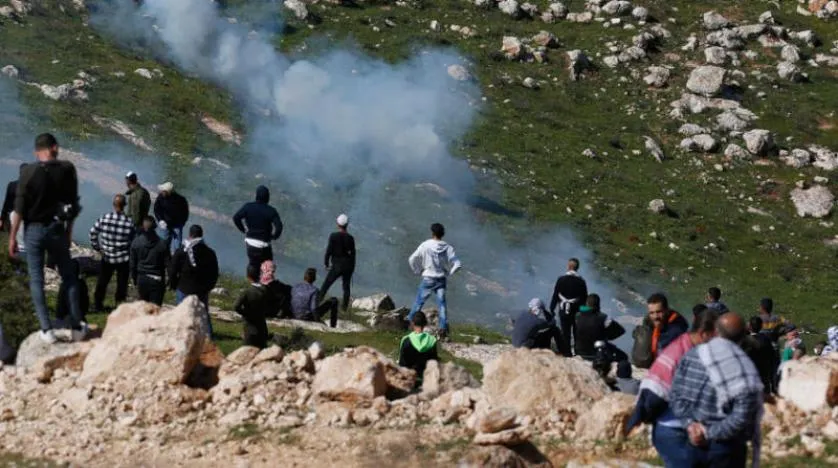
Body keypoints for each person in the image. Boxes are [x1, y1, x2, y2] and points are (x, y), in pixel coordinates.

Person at [9, 133, 86, 343]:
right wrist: (69, 231)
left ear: (37, 151)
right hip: (57, 228)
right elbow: (73, 204)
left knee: (36, 279)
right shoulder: (67, 169)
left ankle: (46, 329)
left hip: (33, 230)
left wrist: (13, 236)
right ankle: (77, 326)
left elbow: (19, 208)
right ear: (54, 148)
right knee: (68, 276)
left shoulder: (28, 172)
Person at [626, 308, 721, 464]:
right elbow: (653, 392)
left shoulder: (688, 345)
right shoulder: (679, 353)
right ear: (704, 334)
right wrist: (641, 417)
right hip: (673, 430)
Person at [670, 313, 763, 468]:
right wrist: (708, 433)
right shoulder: (744, 367)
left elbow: (675, 394)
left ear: (716, 330)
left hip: (691, 441)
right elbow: (742, 416)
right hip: (726, 448)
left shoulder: (693, 355)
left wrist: (690, 425)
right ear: (743, 336)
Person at [407, 223, 462, 339]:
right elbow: (457, 264)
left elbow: (412, 259)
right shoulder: (447, 247)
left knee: (419, 302)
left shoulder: (425, 245)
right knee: (442, 304)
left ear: (432, 233)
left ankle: (410, 323)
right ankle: (442, 329)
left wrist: (417, 271)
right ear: (443, 234)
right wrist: (449, 273)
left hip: (428, 277)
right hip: (441, 278)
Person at [169, 224, 219, 334]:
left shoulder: (182, 251)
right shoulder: (210, 252)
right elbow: (214, 273)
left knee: (181, 313)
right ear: (201, 235)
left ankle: (181, 334)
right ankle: (207, 336)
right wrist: (208, 287)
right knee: (203, 314)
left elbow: (173, 269)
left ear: (190, 235)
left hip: (184, 287)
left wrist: (173, 284)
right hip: (202, 289)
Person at [90, 194, 135, 312]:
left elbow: (93, 232)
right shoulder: (129, 222)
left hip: (107, 257)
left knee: (102, 281)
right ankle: (119, 306)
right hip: (123, 258)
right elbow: (133, 240)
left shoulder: (104, 218)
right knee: (122, 283)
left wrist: (97, 248)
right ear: (125, 205)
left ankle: (98, 304)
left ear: (114, 204)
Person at [631, 293, 689, 369]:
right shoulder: (648, 323)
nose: (655, 316)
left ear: (666, 311)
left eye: (659, 312)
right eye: (652, 313)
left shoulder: (677, 329)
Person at [232, 185, 283, 269]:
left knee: (253, 264)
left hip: (250, 242)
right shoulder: (271, 210)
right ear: (267, 198)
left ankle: (252, 276)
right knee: (267, 267)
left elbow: (236, 218)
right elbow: (279, 227)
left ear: (256, 196)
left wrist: (243, 230)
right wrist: (274, 236)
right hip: (264, 244)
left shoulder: (248, 206)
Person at [549, 258, 588, 357]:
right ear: (577, 268)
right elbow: (584, 299)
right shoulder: (581, 282)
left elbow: (555, 295)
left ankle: (566, 352)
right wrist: (585, 312)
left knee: (565, 332)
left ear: (569, 266)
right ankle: (577, 352)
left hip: (563, 309)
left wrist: (552, 308)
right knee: (576, 332)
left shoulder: (561, 279)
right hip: (577, 310)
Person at [319, 213, 355, 312]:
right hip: (347, 265)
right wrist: (352, 268)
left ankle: (317, 301)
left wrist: (326, 263)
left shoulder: (333, 236)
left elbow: (329, 251)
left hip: (337, 265)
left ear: (338, 224)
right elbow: (353, 255)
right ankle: (344, 308)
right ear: (347, 225)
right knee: (346, 288)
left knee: (326, 284)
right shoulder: (350, 238)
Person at [129, 216, 169, 305]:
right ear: (155, 227)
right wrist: (168, 280)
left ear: (142, 227)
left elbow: (132, 264)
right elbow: (168, 263)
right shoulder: (162, 244)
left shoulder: (136, 242)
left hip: (141, 278)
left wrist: (134, 278)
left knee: (143, 308)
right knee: (155, 309)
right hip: (157, 278)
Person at [575, 293, 626, 360]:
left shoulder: (577, 316)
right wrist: (608, 336)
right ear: (598, 305)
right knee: (624, 356)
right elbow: (621, 331)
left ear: (586, 303)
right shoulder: (603, 318)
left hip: (580, 351)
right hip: (597, 353)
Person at [233, 264, 271, 349]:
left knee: (248, 351)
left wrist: (246, 314)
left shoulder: (247, 292)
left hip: (250, 329)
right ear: (260, 275)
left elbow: (236, 306)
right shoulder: (266, 291)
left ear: (248, 277)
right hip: (262, 329)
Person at [398, 311, 439, 388]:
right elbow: (434, 363)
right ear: (425, 324)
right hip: (425, 380)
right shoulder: (432, 340)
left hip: (409, 380)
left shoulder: (406, 340)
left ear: (412, 323)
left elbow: (402, 364)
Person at [741, 316, 779, 395]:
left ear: (749, 326)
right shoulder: (766, 340)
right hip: (764, 376)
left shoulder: (745, 341)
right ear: (761, 326)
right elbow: (772, 357)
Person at [153, 181, 189, 255]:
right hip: (165, 225)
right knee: (164, 243)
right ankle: (165, 257)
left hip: (177, 225)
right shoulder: (160, 198)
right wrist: (160, 220)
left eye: (163, 191)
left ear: (168, 192)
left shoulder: (180, 200)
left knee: (177, 245)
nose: (161, 192)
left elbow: (185, 213)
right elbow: (156, 209)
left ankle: (176, 257)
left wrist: (182, 223)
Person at [56, 259, 89, 327]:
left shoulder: (64, 285)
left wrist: (59, 317)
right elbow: (86, 301)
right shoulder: (82, 283)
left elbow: (60, 305)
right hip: (81, 315)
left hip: (66, 317)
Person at [0, 164, 23, 232]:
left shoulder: (12, 185)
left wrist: (2, 218)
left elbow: (6, 203)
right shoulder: (32, 186)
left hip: (13, 214)